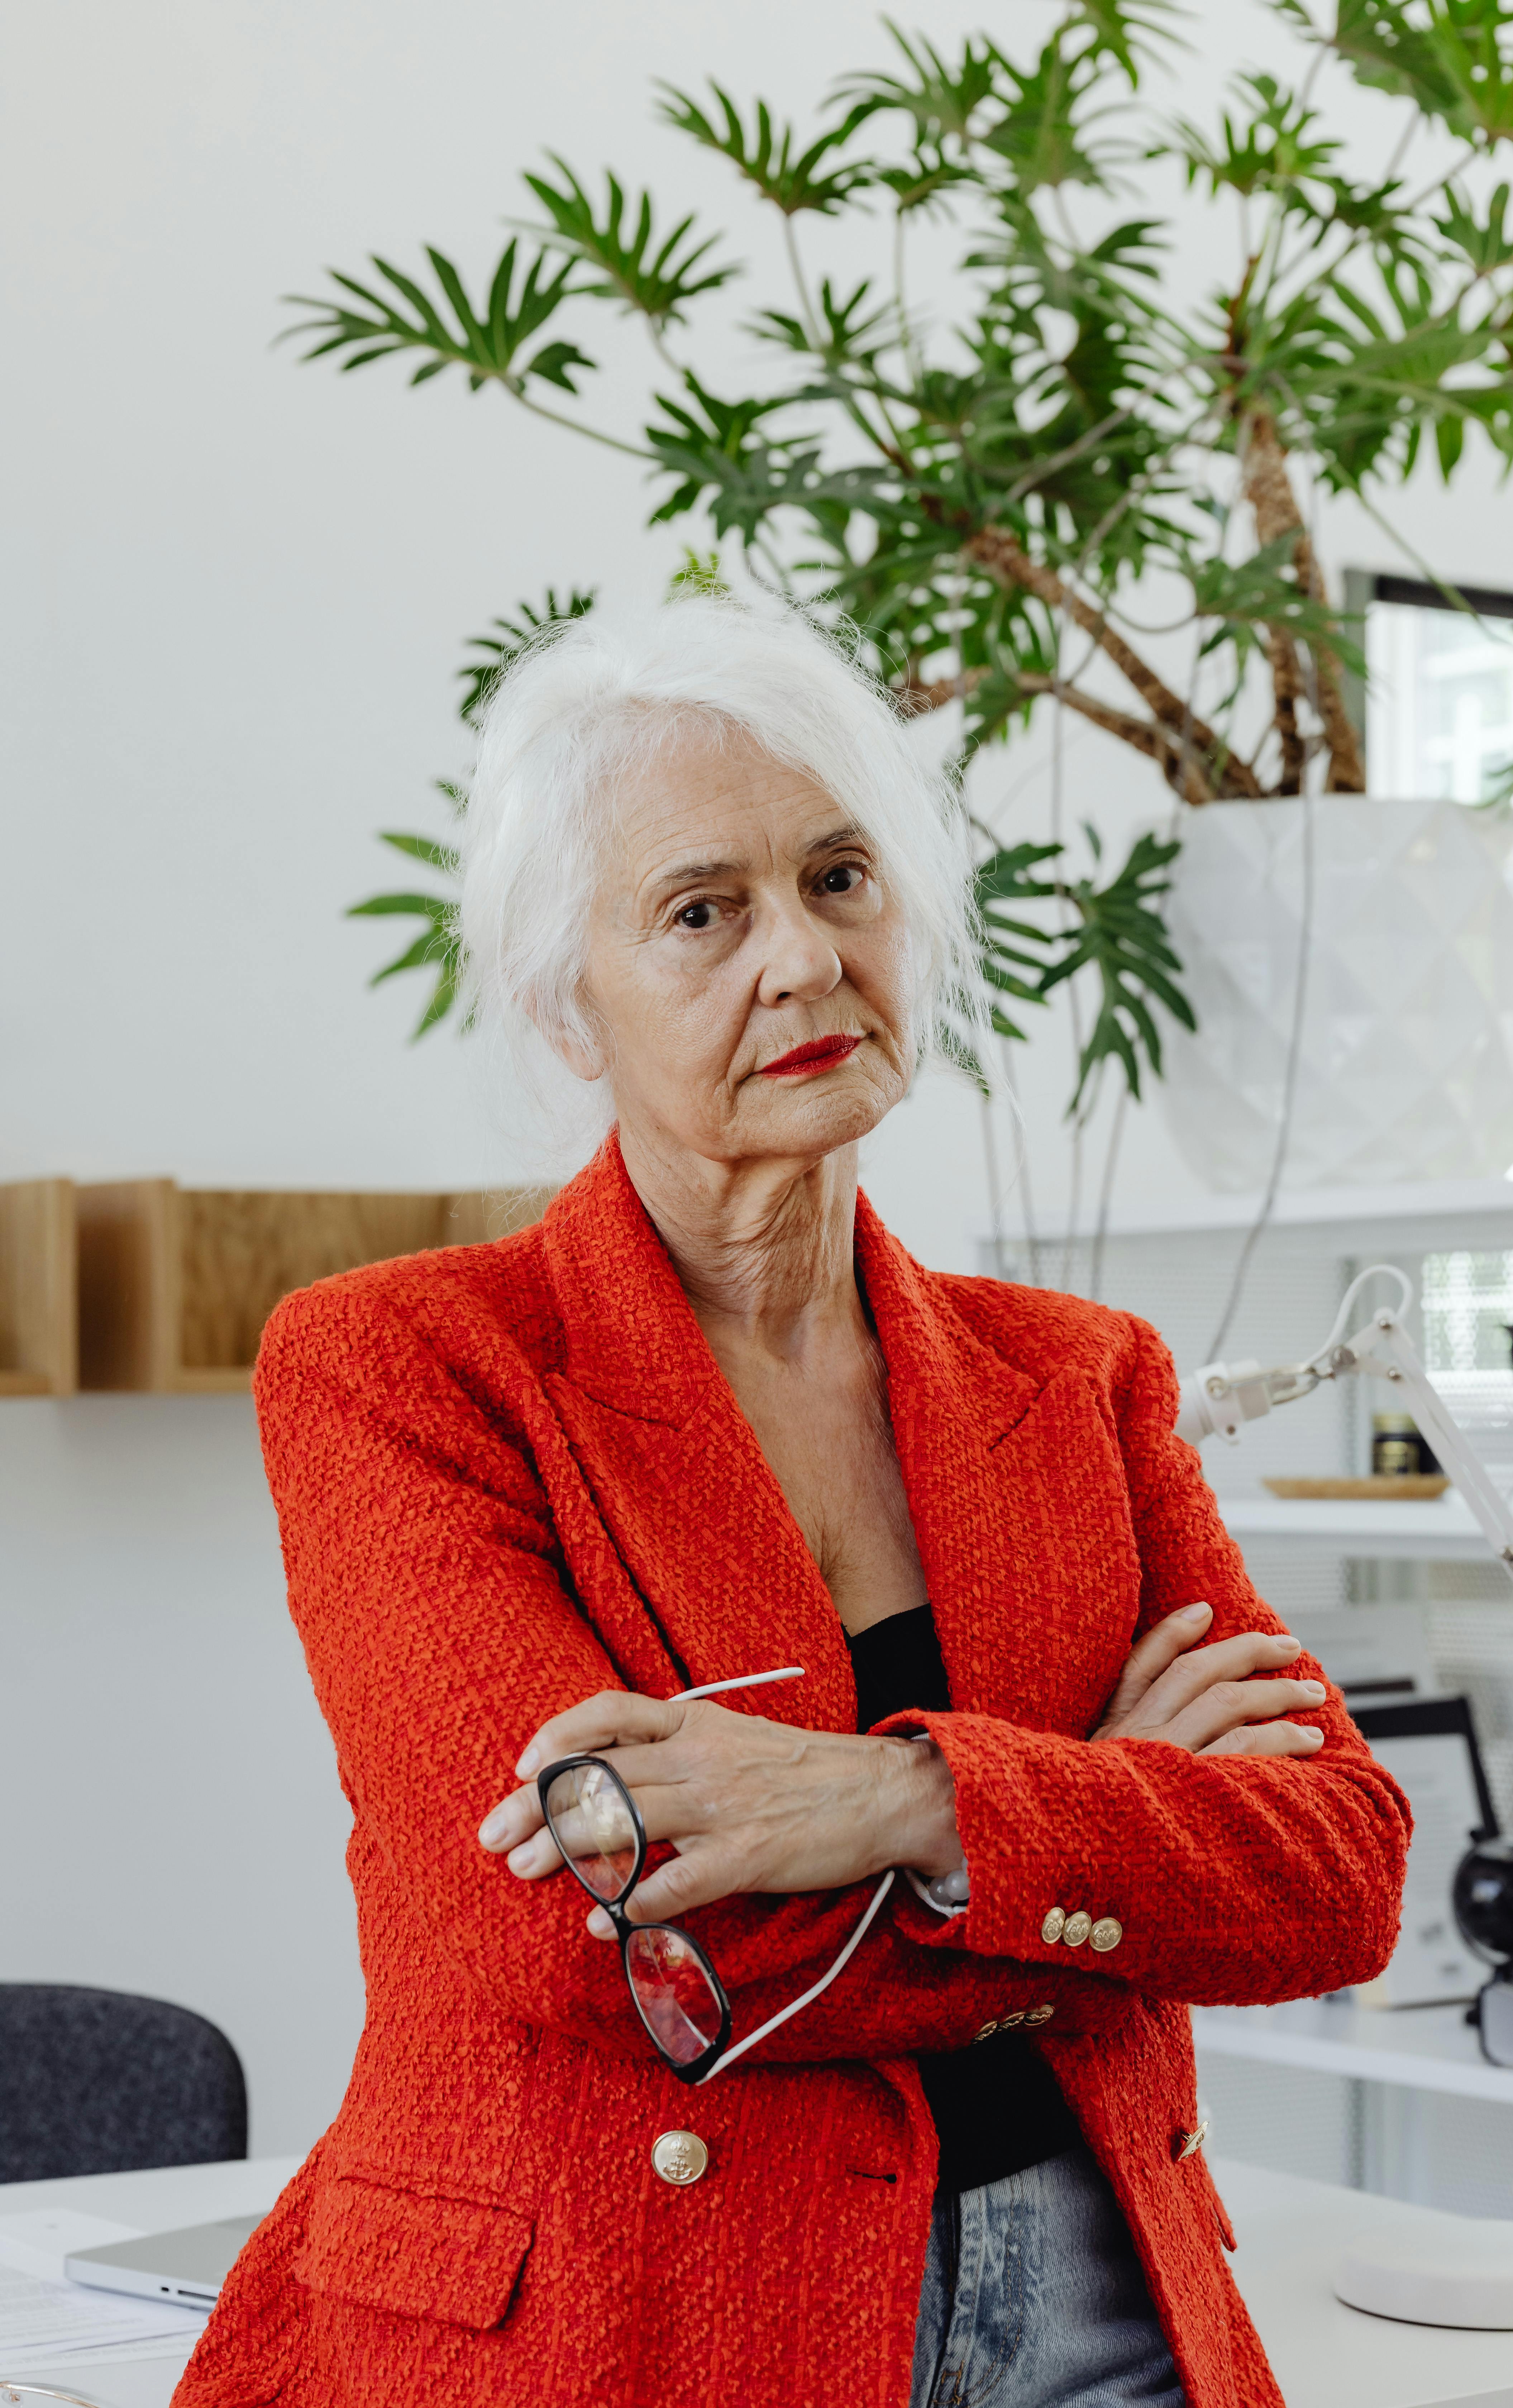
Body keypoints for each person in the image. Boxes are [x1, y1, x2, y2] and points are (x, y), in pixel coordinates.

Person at [176, 600, 1408, 2408]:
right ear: (563, 998)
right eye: (701, 912)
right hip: (629, 2325)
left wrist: (890, 1797)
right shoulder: (404, 1368)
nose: (803, 960)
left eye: (841, 878)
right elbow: (580, 1942)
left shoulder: (1083, 1377)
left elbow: (1340, 1870)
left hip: (1102, 2316)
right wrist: (1087, 1851)